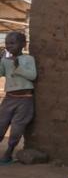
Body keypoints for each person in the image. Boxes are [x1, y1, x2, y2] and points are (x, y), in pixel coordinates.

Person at [0, 32, 36, 164]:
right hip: (9, 98)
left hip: (25, 99)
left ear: (23, 45)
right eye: (7, 43)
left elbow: (32, 76)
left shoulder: (28, 59)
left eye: (12, 43)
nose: (9, 46)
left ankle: (8, 152)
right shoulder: (5, 61)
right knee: (1, 124)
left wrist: (17, 66)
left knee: (17, 128)